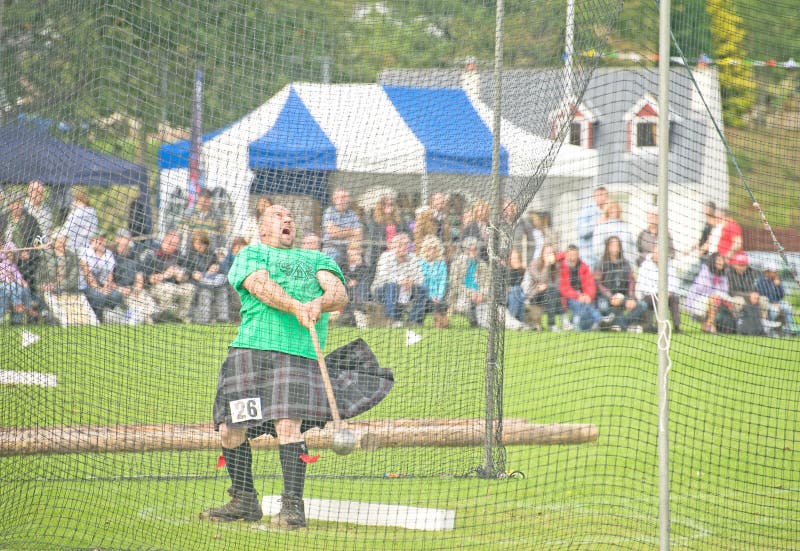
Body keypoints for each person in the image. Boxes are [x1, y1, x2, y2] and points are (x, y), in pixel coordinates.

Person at [201, 204, 384, 530]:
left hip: (296, 354)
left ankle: (293, 507)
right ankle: (244, 499)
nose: (287, 219)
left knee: (289, 425)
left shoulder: (317, 259)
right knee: (232, 427)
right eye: (277, 216)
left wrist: (319, 303)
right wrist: (295, 306)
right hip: (250, 353)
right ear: (263, 229)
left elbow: (338, 292)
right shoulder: (252, 254)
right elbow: (259, 285)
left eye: (290, 216)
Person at [369, 232, 426, 327]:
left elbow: (420, 278)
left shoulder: (413, 258)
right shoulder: (385, 257)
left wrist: (412, 282)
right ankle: (392, 320)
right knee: (392, 285)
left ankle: (413, 321)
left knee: (423, 288)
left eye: (406, 244)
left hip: (407, 291)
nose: (403, 247)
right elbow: (384, 276)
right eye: (400, 244)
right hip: (382, 291)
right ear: (393, 246)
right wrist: (401, 281)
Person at [140, 229, 195, 322]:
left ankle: (179, 318)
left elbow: (188, 272)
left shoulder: (177, 255)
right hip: (153, 289)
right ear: (164, 239)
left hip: (173, 287)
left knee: (190, 287)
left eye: (175, 244)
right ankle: (159, 317)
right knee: (168, 288)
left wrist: (181, 276)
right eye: (171, 243)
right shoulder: (152, 254)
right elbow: (147, 280)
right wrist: (165, 275)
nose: (173, 246)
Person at [594, 236, 643, 331]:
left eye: (617, 245)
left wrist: (631, 298)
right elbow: (598, 284)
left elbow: (631, 283)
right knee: (604, 308)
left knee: (642, 305)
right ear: (607, 247)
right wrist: (611, 297)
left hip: (623, 298)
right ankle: (624, 327)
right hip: (606, 298)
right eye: (612, 244)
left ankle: (616, 325)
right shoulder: (600, 264)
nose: (615, 247)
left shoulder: (626, 264)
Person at [180, 230, 229, 324]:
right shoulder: (188, 255)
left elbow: (220, 269)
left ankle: (222, 318)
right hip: (196, 283)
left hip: (211, 282)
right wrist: (192, 273)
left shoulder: (212, 254)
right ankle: (203, 320)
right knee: (205, 292)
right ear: (193, 243)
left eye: (203, 244)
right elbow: (184, 269)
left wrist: (216, 266)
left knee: (222, 290)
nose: (200, 246)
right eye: (197, 243)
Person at [635, 245, 682, 333]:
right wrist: (658, 293)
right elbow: (642, 286)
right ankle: (659, 326)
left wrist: (669, 292)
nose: (658, 255)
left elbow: (674, 282)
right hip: (648, 296)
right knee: (659, 298)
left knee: (675, 298)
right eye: (656, 253)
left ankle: (677, 326)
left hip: (667, 295)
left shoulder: (669, 265)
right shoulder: (645, 266)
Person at [79, 233, 125, 321]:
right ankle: (98, 319)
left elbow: (110, 274)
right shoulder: (85, 252)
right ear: (92, 241)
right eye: (98, 239)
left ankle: (112, 318)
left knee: (116, 295)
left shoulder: (108, 253)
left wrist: (106, 287)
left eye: (102, 239)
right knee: (99, 296)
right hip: (86, 286)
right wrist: (99, 289)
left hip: (103, 286)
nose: (101, 242)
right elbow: (87, 274)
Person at [518, 244, 563, 331]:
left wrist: (546, 286)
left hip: (548, 294)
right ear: (542, 253)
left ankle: (551, 324)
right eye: (547, 253)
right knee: (553, 292)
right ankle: (558, 321)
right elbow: (540, 278)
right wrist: (547, 265)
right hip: (533, 294)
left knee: (553, 291)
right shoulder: (534, 263)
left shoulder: (556, 266)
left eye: (551, 253)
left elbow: (557, 284)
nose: (549, 255)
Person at [559, 244, 604, 331]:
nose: (572, 258)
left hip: (582, 296)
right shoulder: (561, 267)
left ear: (578, 255)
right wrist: (578, 296)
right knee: (581, 304)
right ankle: (599, 320)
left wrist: (588, 295)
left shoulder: (584, 267)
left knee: (586, 304)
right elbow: (563, 288)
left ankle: (584, 322)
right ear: (566, 255)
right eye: (570, 255)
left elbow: (590, 285)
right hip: (567, 298)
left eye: (575, 255)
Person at [685, 252, 733, 333]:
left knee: (722, 300)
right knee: (714, 298)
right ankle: (710, 325)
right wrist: (715, 292)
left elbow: (725, 291)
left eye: (722, 260)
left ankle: (712, 326)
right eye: (718, 260)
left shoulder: (723, 275)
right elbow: (700, 288)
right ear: (713, 261)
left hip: (715, 300)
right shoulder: (705, 272)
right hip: (698, 301)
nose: (721, 262)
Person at [447, 236, 489, 328]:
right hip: (462, 296)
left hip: (480, 298)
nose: (472, 251)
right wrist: (470, 293)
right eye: (470, 249)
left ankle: (478, 322)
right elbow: (454, 284)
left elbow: (487, 284)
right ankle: (473, 319)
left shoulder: (482, 265)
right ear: (465, 250)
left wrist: (482, 294)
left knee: (484, 325)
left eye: (475, 249)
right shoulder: (456, 263)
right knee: (463, 306)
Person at [755, 261, 798, 336]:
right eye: (773, 271)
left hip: (777, 303)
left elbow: (782, 295)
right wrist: (774, 302)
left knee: (787, 306)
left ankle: (790, 329)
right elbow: (763, 294)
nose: (776, 273)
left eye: (776, 271)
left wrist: (777, 286)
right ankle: (772, 331)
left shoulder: (776, 280)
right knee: (774, 310)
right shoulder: (761, 281)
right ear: (767, 271)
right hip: (766, 304)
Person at [321, 187, 363, 263]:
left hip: (349, 249)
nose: (342, 200)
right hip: (331, 248)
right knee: (333, 256)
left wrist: (339, 231)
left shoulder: (352, 214)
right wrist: (351, 231)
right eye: (340, 197)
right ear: (334, 199)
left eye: (345, 197)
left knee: (357, 258)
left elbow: (358, 233)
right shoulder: (329, 212)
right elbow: (332, 233)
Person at [336, 240, 371, 328]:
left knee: (361, 285)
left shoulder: (362, 264)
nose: (354, 253)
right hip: (345, 287)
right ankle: (350, 315)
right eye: (351, 250)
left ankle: (358, 312)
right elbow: (339, 274)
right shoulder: (342, 261)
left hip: (358, 290)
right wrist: (348, 281)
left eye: (356, 250)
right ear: (348, 251)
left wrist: (359, 265)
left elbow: (366, 276)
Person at [417, 235, 449, 328]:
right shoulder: (420, 263)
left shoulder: (442, 264)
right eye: (429, 249)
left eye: (434, 249)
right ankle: (421, 322)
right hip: (425, 295)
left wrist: (438, 296)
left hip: (439, 296)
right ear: (425, 249)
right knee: (426, 301)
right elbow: (421, 282)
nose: (432, 251)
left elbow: (443, 281)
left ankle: (441, 323)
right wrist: (431, 296)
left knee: (440, 303)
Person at [364, 193, 404, 268]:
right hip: (382, 253)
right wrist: (388, 244)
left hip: (397, 252)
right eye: (384, 204)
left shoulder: (399, 221)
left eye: (391, 204)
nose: (388, 206)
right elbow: (375, 237)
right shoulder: (374, 221)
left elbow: (407, 234)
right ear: (380, 206)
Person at [592, 201, 636, 265]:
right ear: (607, 210)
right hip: (607, 265)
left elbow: (632, 245)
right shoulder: (601, 226)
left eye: (616, 208)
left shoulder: (625, 226)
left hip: (625, 264)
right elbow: (597, 247)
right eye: (611, 208)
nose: (614, 211)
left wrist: (632, 259)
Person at [576, 186, 608, 269]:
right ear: (594, 196)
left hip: (604, 257)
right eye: (600, 194)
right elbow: (581, 231)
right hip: (588, 257)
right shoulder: (587, 209)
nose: (603, 197)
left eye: (605, 195)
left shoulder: (609, 210)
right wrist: (595, 223)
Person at [412, 192, 452, 258]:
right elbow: (417, 235)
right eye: (438, 199)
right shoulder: (424, 215)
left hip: (440, 253)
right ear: (432, 202)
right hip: (426, 253)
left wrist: (449, 253)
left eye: (443, 200)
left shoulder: (445, 218)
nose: (440, 201)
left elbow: (447, 238)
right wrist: (423, 251)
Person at [61, 189, 98, 254]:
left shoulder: (76, 213)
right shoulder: (93, 213)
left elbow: (66, 231)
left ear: (77, 200)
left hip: (73, 249)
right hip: (88, 250)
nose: (72, 203)